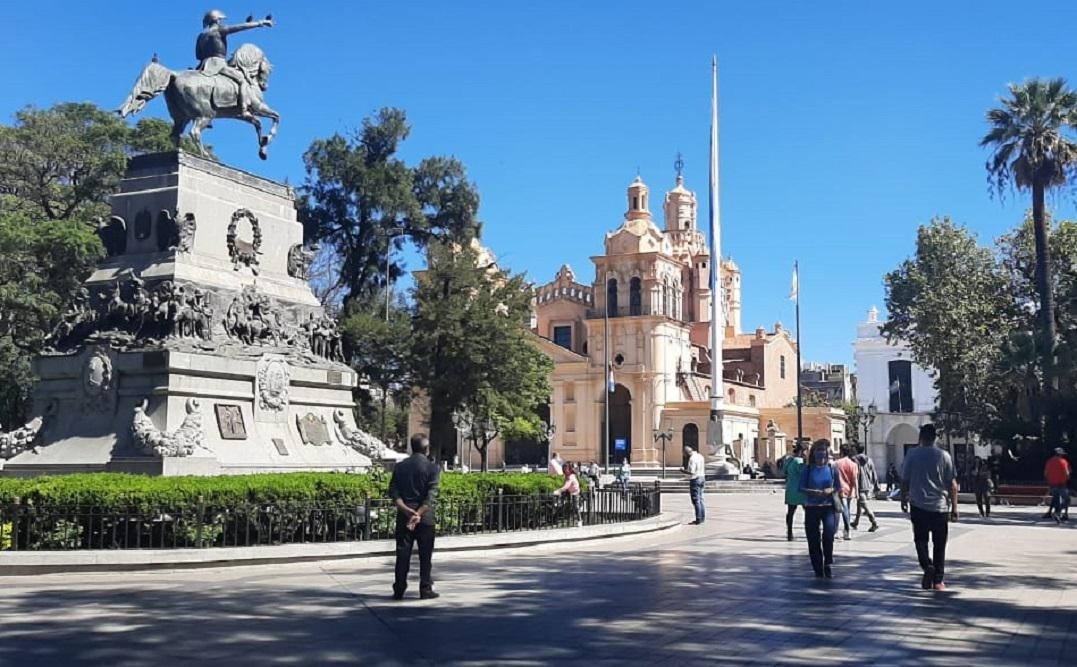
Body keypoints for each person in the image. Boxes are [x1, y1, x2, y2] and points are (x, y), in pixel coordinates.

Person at [901, 424, 958, 591]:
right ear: (935, 438)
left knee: (921, 540)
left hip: (918, 505)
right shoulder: (944, 456)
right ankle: (939, 581)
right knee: (939, 544)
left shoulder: (912, 454)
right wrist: (955, 508)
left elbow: (905, 479)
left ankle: (927, 566)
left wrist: (903, 498)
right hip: (940, 506)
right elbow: (952, 484)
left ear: (921, 438)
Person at [389, 433, 440, 600]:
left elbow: (393, 492)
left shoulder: (400, 467)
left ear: (412, 447)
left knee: (402, 554)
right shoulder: (432, 468)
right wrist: (418, 513)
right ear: (426, 449)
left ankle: (399, 588)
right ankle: (425, 588)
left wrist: (406, 510)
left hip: (404, 517)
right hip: (425, 518)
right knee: (426, 555)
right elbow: (431, 495)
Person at [195, 10, 273, 119]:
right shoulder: (219, 30)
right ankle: (244, 109)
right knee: (242, 80)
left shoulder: (201, 35)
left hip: (203, 65)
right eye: (220, 19)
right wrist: (260, 23)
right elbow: (240, 27)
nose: (221, 21)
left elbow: (198, 55)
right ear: (217, 20)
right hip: (219, 64)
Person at [799, 439, 840, 578]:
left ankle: (828, 561)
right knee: (813, 538)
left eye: (823, 450)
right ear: (813, 453)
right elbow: (800, 487)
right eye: (818, 450)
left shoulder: (832, 468)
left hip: (828, 507)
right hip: (811, 507)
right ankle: (817, 567)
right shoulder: (808, 469)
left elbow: (838, 487)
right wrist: (812, 491)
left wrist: (831, 490)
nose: (821, 453)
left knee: (828, 536)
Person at [851, 445, 880, 532]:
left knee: (864, 505)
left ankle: (874, 522)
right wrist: (876, 486)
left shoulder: (854, 460)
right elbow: (874, 472)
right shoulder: (869, 460)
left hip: (859, 485)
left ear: (856, 449)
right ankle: (856, 522)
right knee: (859, 505)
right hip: (867, 485)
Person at [783, 443, 807, 541]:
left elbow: (784, 472)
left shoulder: (788, 460)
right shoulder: (800, 462)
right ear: (802, 451)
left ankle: (789, 532)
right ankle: (809, 530)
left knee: (790, 512)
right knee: (807, 512)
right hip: (801, 490)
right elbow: (804, 473)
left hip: (790, 488)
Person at [835, 444, 859, 540]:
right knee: (847, 509)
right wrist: (856, 491)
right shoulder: (853, 465)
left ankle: (839, 530)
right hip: (849, 490)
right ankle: (846, 531)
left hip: (838, 489)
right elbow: (855, 479)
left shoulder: (836, 463)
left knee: (838, 510)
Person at [1044, 447, 1072, 523]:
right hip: (1062, 484)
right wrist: (1067, 478)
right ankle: (1059, 513)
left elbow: (1046, 473)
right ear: (1060, 454)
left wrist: (1050, 480)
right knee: (1067, 499)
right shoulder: (1063, 461)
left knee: (1056, 500)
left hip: (1052, 484)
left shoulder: (1049, 461)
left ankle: (1056, 514)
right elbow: (1067, 473)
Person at [553, 462, 583, 527]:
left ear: (570, 469)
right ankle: (560, 517)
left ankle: (579, 520)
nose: (564, 470)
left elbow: (566, 485)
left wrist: (559, 490)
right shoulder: (567, 476)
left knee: (576, 506)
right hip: (568, 491)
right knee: (564, 504)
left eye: (566, 469)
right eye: (563, 469)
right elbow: (565, 485)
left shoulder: (571, 476)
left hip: (575, 492)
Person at [684, 444, 707, 525]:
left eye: (685, 453)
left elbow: (692, 472)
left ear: (687, 452)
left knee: (696, 500)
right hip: (702, 478)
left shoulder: (692, 459)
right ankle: (702, 517)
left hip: (695, 479)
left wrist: (683, 471)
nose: (684, 455)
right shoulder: (700, 456)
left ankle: (698, 518)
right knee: (701, 498)